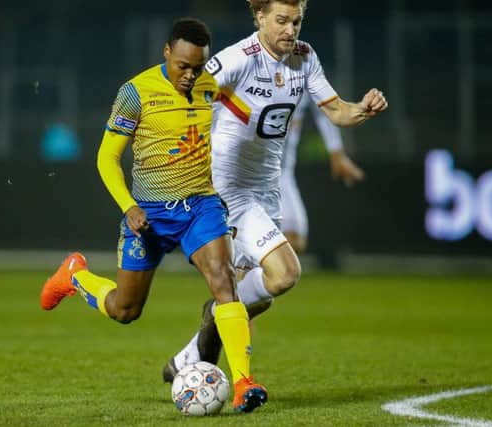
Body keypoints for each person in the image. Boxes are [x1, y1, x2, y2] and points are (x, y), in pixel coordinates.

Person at [39, 17, 268, 413]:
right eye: (183, 66)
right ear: (167, 52)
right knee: (125, 310)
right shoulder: (136, 92)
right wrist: (129, 207)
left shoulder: (209, 87)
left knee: (223, 281)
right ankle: (75, 276)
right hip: (148, 215)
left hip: (201, 205)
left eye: (198, 67)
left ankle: (244, 383)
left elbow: (245, 116)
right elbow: (106, 157)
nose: (190, 75)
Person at [162, 0, 388, 382]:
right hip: (230, 189)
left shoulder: (304, 57)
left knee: (256, 298)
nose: (290, 29)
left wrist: (363, 108)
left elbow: (336, 111)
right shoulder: (238, 59)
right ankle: (234, 375)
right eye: (281, 21)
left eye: (296, 21)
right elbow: (185, 97)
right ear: (260, 17)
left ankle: (187, 359)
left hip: (269, 190)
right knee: (284, 274)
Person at [281, 92, 365, 254]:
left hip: (282, 173)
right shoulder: (249, 70)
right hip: (243, 170)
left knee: (294, 242)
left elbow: (325, 108)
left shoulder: (306, 70)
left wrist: (336, 152)